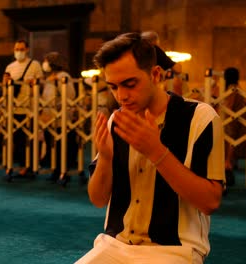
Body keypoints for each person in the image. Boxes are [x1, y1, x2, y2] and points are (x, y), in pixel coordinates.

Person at [77, 33, 224, 264]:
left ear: (155, 74)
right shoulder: (117, 120)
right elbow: (97, 199)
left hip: (174, 250)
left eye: (130, 84)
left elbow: (210, 202)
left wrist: (157, 152)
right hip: (114, 245)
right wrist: (105, 158)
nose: (121, 96)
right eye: (113, 87)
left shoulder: (200, 118)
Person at [3, 40, 43, 180]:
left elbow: (41, 85)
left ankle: (32, 167)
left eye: (21, 48)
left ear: (27, 49)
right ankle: (21, 166)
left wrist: (34, 84)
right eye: (16, 49)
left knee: (31, 139)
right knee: (18, 140)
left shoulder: (35, 65)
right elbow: (5, 88)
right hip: (14, 108)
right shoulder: (10, 66)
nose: (18, 51)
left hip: (30, 109)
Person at [39, 51, 77, 182]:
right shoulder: (50, 77)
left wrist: (59, 108)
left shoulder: (63, 76)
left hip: (61, 118)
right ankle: (55, 170)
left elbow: (70, 95)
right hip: (49, 118)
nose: (44, 64)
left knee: (62, 146)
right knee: (52, 146)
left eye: (47, 61)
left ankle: (63, 171)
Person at [221, 67, 246, 186]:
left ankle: (227, 165)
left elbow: (228, 106)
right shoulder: (238, 88)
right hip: (237, 119)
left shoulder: (232, 89)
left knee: (229, 143)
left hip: (230, 120)